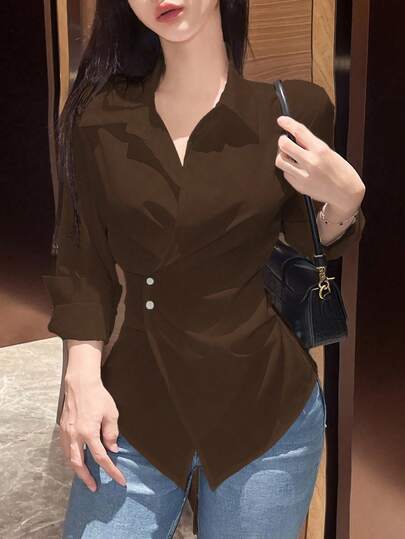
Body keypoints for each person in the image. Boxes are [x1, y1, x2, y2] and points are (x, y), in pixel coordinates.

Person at [42, 0, 366, 537]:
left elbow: (308, 244)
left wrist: (345, 203)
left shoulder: (292, 111)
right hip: (135, 411)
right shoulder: (97, 118)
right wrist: (81, 374)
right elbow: (81, 259)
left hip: (265, 413)